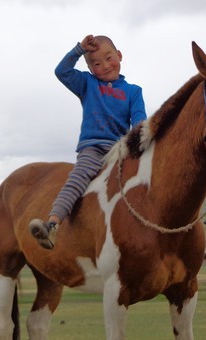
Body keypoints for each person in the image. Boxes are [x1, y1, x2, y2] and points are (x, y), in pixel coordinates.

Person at [29, 34, 147, 249]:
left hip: (120, 150)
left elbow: (139, 121)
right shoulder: (87, 83)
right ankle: (53, 225)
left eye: (109, 58)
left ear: (119, 55)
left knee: (145, 180)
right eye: (96, 64)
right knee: (78, 179)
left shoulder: (133, 91)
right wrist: (78, 50)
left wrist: (139, 141)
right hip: (93, 148)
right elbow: (61, 72)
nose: (105, 66)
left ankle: (168, 236)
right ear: (91, 69)